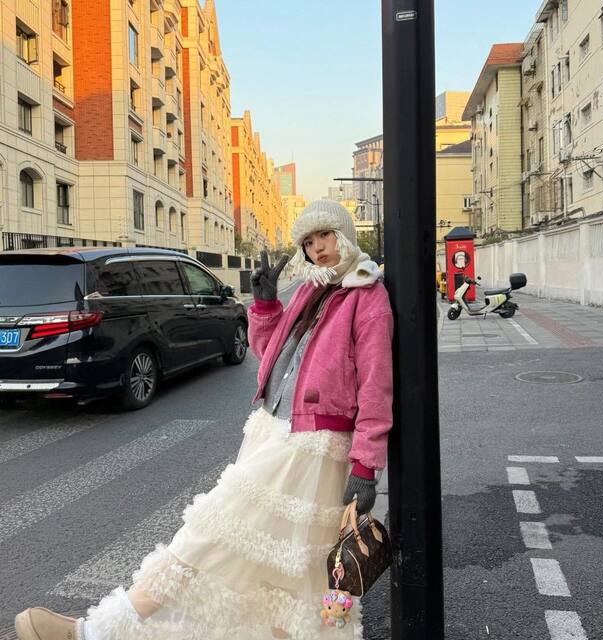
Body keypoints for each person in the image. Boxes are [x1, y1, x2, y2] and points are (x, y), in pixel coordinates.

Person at [14, 200, 394, 640]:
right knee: (284, 565)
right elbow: (269, 355)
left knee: (215, 533)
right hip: (276, 432)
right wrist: (266, 305)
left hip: (314, 445)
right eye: (308, 242)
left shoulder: (367, 296)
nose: (317, 248)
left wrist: (366, 465)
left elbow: (376, 387)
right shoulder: (312, 289)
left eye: (325, 235)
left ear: (344, 234)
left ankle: (96, 631)